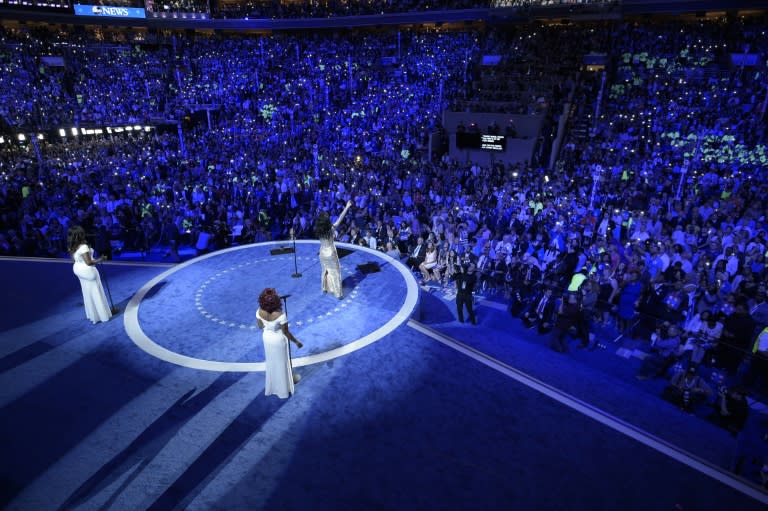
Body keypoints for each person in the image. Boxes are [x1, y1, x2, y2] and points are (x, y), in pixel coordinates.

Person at [256, 288, 303, 399]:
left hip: (267, 338)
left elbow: (260, 326)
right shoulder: (280, 315)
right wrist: (296, 342)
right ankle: (283, 389)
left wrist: (269, 327)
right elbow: (286, 333)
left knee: (272, 362)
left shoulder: (258, 311)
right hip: (278, 340)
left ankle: (273, 387)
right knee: (282, 363)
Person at [67, 225, 112, 324]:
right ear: (80, 234)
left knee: (87, 292)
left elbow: (74, 259)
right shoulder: (83, 247)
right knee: (96, 292)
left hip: (78, 269)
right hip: (88, 271)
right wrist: (101, 259)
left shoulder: (72, 246)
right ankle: (102, 316)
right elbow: (89, 262)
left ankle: (93, 316)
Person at [315, 200, 353, 299]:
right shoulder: (331, 229)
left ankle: (324, 288)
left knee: (325, 270)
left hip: (322, 252)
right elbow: (340, 218)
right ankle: (338, 293)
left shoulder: (318, 230)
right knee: (335, 272)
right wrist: (346, 207)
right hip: (331, 252)